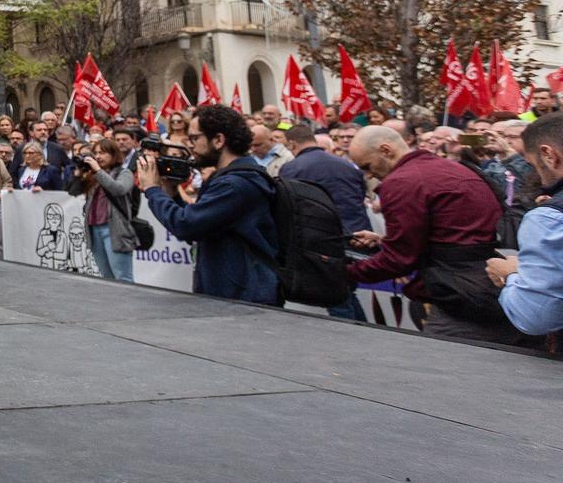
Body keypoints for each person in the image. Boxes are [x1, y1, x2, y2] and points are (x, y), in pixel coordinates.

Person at [347, 125, 522, 343]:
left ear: (386, 150)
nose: (369, 174)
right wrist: (384, 240)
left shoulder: (402, 182)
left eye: (367, 166)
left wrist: (344, 272)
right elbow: (455, 233)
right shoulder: (454, 168)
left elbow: (398, 259)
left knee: (442, 366)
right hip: (494, 287)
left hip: (461, 296)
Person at [139, 104, 281, 306]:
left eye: (195, 138)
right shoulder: (227, 178)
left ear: (218, 140)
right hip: (230, 292)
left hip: (243, 298)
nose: (191, 146)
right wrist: (170, 192)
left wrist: (152, 189)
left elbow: (186, 225)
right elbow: (201, 223)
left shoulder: (235, 184)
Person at [279, 122, 370, 320]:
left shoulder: (291, 169)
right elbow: (360, 196)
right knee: (346, 292)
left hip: (323, 241)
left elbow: (289, 206)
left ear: (292, 144)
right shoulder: (347, 165)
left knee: (337, 297)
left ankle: (355, 337)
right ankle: (362, 330)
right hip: (356, 238)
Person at [488, 112, 563, 337]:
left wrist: (512, 274)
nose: (539, 179)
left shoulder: (548, 219)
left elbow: (536, 316)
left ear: (549, 155)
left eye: (534, 166)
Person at [76, 137, 138, 282]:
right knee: (106, 279)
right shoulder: (94, 175)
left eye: (103, 153)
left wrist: (98, 171)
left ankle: (128, 305)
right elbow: (73, 190)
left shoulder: (124, 173)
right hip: (94, 229)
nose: (98, 157)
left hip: (115, 230)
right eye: (96, 153)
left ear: (114, 155)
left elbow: (119, 189)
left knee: (123, 278)